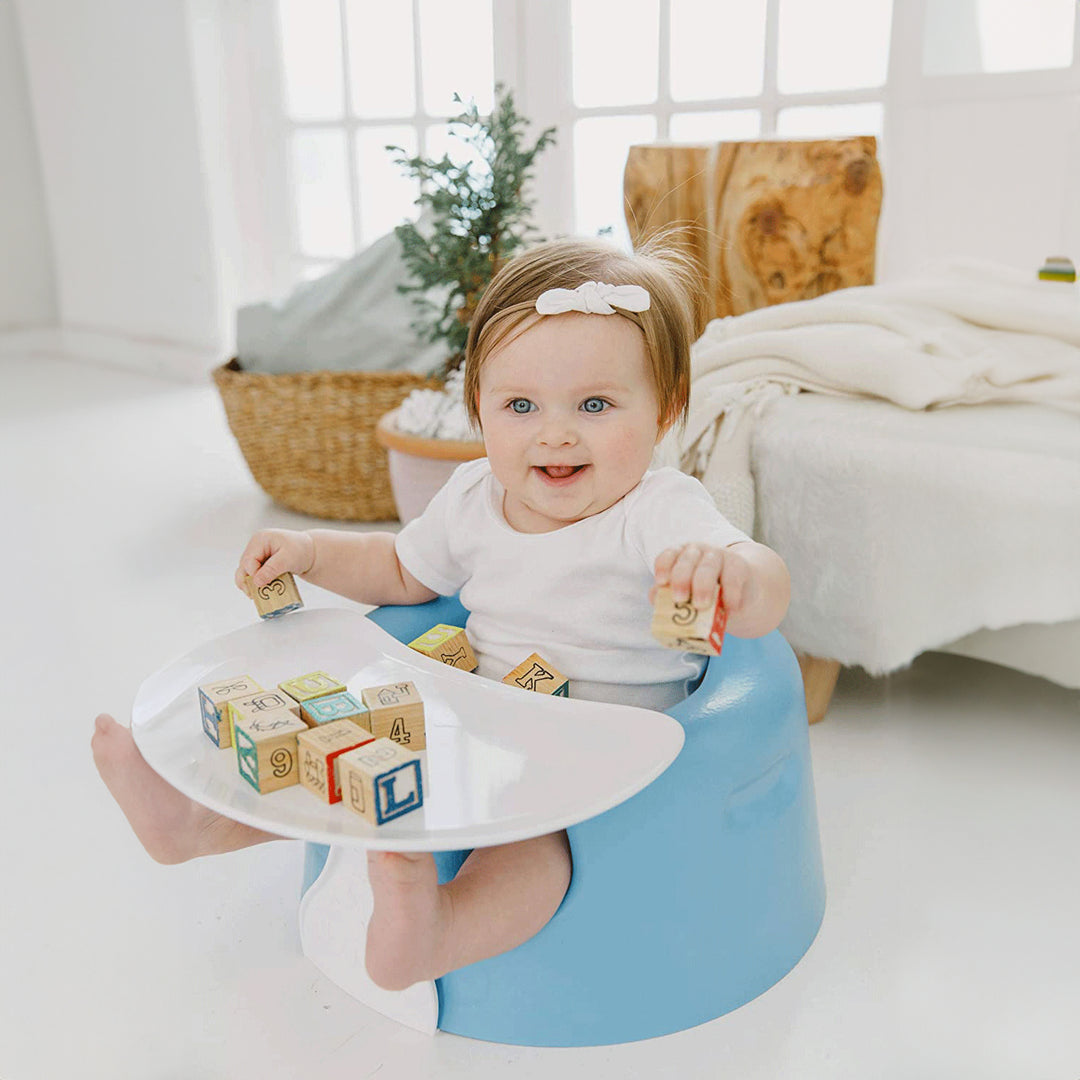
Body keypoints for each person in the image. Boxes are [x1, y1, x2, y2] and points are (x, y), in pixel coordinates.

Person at [92, 235, 791, 993]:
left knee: (538, 849)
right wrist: (312, 552)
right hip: (479, 722)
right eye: (520, 406)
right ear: (478, 410)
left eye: (595, 405)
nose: (555, 432)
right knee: (343, 759)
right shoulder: (472, 499)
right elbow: (400, 571)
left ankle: (443, 931)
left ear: (665, 410)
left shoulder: (660, 510)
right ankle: (198, 824)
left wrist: (733, 575)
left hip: (599, 757)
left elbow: (765, 593)